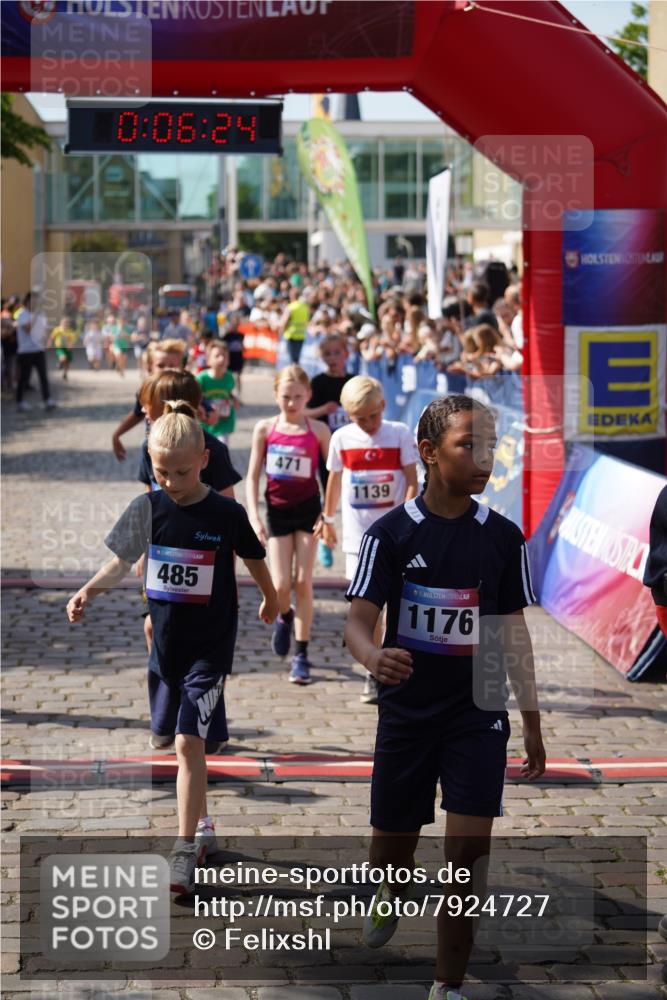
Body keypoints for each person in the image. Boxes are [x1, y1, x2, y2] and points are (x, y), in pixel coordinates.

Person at [344, 394, 545, 1000]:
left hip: (477, 712)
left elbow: (513, 634)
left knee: (467, 858)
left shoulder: (503, 538)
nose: (483, 458)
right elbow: (356, 622)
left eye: (490, 446)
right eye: (468, 445)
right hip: (406, 712)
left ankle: (447, 985)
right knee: (391, 857)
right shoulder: (392, 534)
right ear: (428, 453)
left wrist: (532, 722)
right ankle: (389, 890)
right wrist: (373, 654)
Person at [66, 403, 278, 893]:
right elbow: (121, 563)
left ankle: (183, 850)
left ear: (204, 460)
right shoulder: (148, 508)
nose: (170, 480)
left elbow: (253, 557)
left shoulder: (226, 513)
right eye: (160, 471)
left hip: (210, 647)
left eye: (181, 471)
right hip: (166, 648)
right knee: (175, 742)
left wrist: (271, 596)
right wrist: (87, 591)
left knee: (187, 743)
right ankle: (202, 829)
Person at [137, 369, 243, 751]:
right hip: (162, 567)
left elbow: (230, 510)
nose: (144, 413)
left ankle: (207, 726)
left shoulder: (210, 448)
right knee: (159, 635)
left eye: (149, 406)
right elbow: (145, 503)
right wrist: (142, 555)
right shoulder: (152, 444)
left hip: (206, 569)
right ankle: (163, 720)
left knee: (205, 653)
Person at [318, 375, 418, 703]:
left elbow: (412, 481)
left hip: (397, 536)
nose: (369, 424)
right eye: (360, 419)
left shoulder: (399, 434)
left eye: (373, 416)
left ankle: (394, 664)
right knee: (366, 608)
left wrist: (410, 521)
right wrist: (328, 518)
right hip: (359, 539)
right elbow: (334, 480)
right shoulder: (343, 439)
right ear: (348, 416)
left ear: (383, 406)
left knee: (395, 606)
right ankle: (372, 669)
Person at [246, 364, 330, 685]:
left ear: (308, 395)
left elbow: (330, 476)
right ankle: (284, 615)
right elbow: (254, 476)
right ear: (275, 395)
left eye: (298, 396)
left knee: (303, 582)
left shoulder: (319, 431)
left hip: (309, 511)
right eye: (286, 397)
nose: (292, 403)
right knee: (280, 585)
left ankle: (301, 654)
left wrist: (328, 514)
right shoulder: (265, 429)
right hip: (277, 513)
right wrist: (254, 516)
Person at [304, 331, 353, 567]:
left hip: (353, 450)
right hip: (327, 451)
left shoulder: (354, 382)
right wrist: (324, 408)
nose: (333, 358)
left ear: (346, 354)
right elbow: (304, 412)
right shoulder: (319, 383)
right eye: (327, 354)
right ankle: (325, 540)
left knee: (353, 496)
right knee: (328, 496)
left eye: (337, 353)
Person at [111, 339, 186, 462]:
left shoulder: (186, 390)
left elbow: (201, 411)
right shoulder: (146, 392)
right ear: (150, 368)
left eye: (172, 366)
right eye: (161, 365)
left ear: (181, 368)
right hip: (153, 447)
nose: (166, 369)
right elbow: (137, 414)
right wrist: (116, 435)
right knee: (151, 479)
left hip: (182, 450)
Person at [15, 292, 55, 411]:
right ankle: (20, 401)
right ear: (27, 301)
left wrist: (46, 341)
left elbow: (43, 331)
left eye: (37, 300)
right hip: (26, 351)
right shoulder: (22, 314)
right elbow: (27, 329)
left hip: (38, 350)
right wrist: (35, 316)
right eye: (33, 300)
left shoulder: (41, 315)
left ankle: (47, 400)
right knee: (24, 377)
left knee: (43, 376)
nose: (35, 302)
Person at [196, 340, 239, 445]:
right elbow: (196, 397)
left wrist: (234, 399)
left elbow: (229, 392)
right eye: (217, 356)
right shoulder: (202, 378)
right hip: (206, 421)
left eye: (225, 356)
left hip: (223, 420)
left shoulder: (229, 377)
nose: (222, 359)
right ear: (208, 360)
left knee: (222, 445)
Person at [279, 286, 310, 364]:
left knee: (292, 359)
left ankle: (293, 374)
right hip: (301, 335)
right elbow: (306, 321)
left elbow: (284, 322)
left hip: (291, 335)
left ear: (292, 295)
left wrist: (281, 331)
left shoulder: (290, 307)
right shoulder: (305, 307)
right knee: (297, 359)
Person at [47, 315, 78, 381]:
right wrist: (49, 344)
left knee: (67, 363)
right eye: (63, 323)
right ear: (61, 323)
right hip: (60, 348)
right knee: (63, 358)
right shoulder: (57, 330)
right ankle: (60, 363)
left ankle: (65, 373)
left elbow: (72, 341)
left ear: (69, 324)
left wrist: (70, 346)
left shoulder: (70, 332)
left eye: (66, 323)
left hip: (67, 349)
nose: (65, 324)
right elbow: (52, 337)